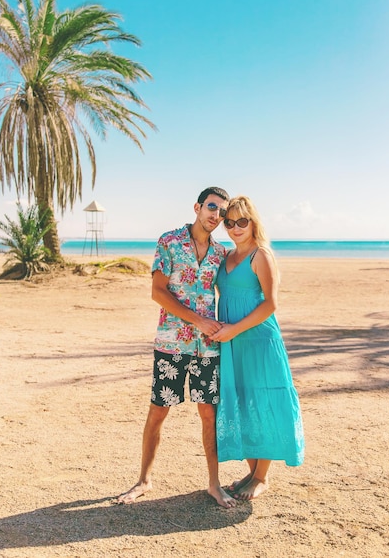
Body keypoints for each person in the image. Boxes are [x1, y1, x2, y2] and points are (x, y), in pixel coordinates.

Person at [115, 186, 237, 508]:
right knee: (159, 412)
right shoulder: (168, 242)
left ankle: (214, 484)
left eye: (222, 212)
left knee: (208, 415)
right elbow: (158, 292)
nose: (216, 215)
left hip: (207, 349)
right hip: (171, 345)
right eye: (212, 207)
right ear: (197, 207)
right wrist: (197, 320)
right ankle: (143, 480)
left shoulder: (221, 254)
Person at [210, 195, 305, 500]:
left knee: (263, 401)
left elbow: (271, 305)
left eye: (242, 221)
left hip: (258, 341)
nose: (236, 228)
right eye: (230, 222)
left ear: (252, 222)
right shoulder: (226, 257)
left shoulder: (261, 255)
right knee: (242, 401)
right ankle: (252, 473)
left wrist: (233, 329)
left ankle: (261, 477)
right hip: (233, 343)